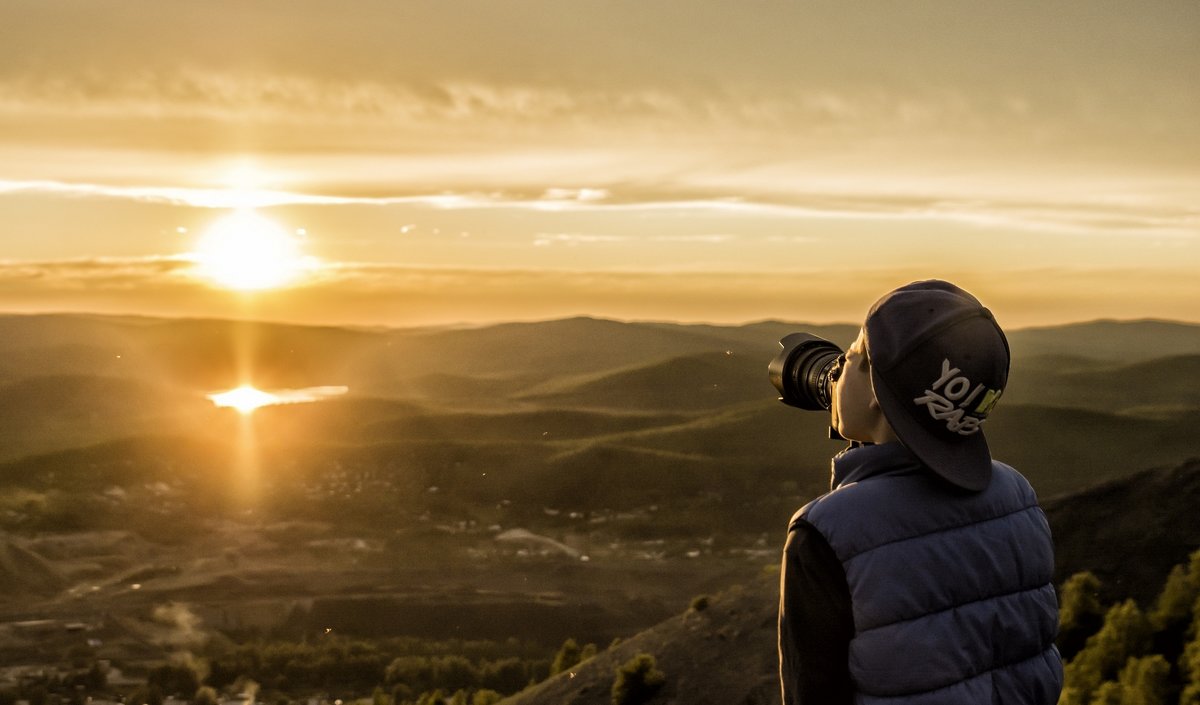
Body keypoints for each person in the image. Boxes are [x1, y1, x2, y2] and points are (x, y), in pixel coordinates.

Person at [777, 280, 1063, 704]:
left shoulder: (824, 535)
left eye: (852, 358)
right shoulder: (1017, 497)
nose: (835, 369)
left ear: (877, 394)